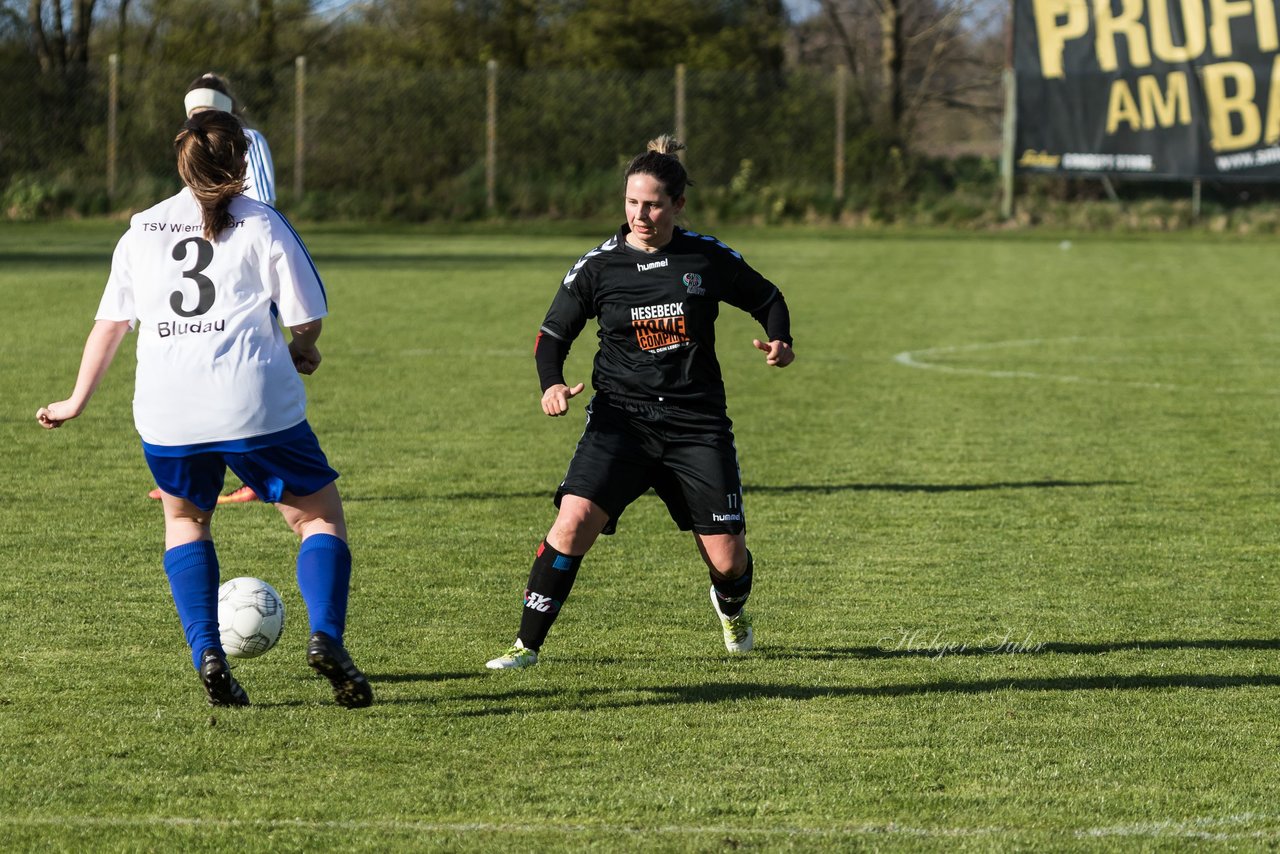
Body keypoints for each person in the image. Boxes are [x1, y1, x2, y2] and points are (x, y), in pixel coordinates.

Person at [37, 110, 372, 709]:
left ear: (181, 162)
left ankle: (207, 652)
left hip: (167, 410)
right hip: (254, 401)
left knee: (186, 522)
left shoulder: (141, 227)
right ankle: (325, 635)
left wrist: (75, 399)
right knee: (316, 519)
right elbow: (307, 316)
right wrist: (304, 349)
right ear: (242, 160)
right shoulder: (263, 221)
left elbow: (112, 323)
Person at [485, 134, 795, 670]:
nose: (640, 215)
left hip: (695, 424)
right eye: (632, 203)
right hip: (620, 422)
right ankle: (525, 645)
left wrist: (780, 340)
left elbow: (768, 297)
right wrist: (551, 383)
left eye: (652, 204)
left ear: (678, 204)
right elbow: (552, 334)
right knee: (573, 519)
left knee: (727, 559)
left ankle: (731, 607)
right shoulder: (599, 267)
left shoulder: (706, 256)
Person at [143, 72, 278, 504]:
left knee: (245, 366)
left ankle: (257, 476)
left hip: (243, 267)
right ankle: (187, 478)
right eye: (192, 114)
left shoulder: (248, 140)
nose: (197, 120)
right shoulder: (192, 140)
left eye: (205, 112)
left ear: (225, 110)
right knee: (197, 364)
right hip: (209, 263)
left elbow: (263, 201)